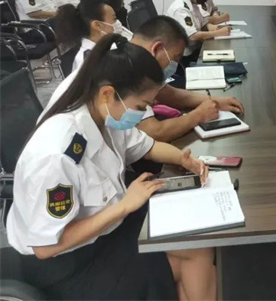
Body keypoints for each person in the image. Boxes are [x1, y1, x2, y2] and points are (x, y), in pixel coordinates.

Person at [7, 34, 217, 300]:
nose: (142, 113)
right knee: (187, 260)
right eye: (141, 106)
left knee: (197, 243)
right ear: (107, 93)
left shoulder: (103, 113)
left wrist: (183, 158)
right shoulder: (56, 156)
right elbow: (46, 247)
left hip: (106, 230)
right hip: (68, 264)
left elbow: (146, 146)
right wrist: (125, 206)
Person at [44, 16, 244, 143]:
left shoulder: (130, 54)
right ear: (157, 48)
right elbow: (154, 132)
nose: (175, 65)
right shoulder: (123, 67)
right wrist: (198, 115)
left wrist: (213, 102)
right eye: (175, 58)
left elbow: (169, 94)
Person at [166, 0, 230, 64]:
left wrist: (217, 28)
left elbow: (202, 23)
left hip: (194, 50)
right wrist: (218, 33)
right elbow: (193, 36)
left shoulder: (193, 4)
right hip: (183, 58)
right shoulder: (181, 9)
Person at [55, 0, 122, 73]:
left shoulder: (105, 45)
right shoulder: (89, 60)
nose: (117, 22)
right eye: (114, 18)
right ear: (97, 25)